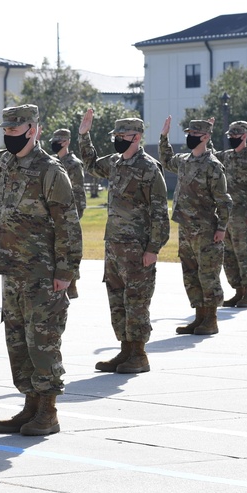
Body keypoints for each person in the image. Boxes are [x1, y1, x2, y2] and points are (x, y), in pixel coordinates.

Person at [0, 88, 82, 436]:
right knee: (17, 340)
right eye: (6, 131)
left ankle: (48, 412)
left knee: (43, 340)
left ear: (34, 130)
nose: (9, 137)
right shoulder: (6, 163)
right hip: (13, 270)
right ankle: (30, 405)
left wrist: (66, 271)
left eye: (15, 132)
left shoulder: (50, 171)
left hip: (43, 273)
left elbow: (68, 223)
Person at [79, 114, 169, 374]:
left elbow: (160, 212)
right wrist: (84, 136)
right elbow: (91, 165)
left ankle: (139, 355)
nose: (117, 141)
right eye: (115, 137)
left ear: (136, 137)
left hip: (138, 249)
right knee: (117, 300)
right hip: (114, 247)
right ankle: (125, 350)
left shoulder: (149, 168)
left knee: (137, 301)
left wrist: (153, 248)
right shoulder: (115, 163)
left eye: (122, 137)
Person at [160, 118, 232, 335]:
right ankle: (199, 317)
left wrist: (221, 228)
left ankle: (211, 320)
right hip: (186, 228)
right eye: (189, 132)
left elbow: (224, 201)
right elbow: (165, 160)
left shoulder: (213, 166)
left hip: (206, 230)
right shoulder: (184, 160)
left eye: (195, 133)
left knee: (208, 274)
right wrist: (164, 138)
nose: (190, 136)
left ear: (206, 137)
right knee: (190, 274)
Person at [215, 121, 247, 308]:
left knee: (244, 255)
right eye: (230, 136)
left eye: (235, 136)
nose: (232, 139)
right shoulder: (226, 156)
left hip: (243, 215)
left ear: (244, 136)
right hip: (226, 216)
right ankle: (238, 291)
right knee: (229, 256)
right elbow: (209, 154)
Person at [50, 128, 87, 298]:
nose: (55, 143)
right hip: (55, 213)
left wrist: (75, 215)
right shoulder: (53, 162)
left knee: (71, 248)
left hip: (70, 213)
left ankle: (72, 284)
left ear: (66, 142)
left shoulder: (74, 164)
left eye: (59, 140)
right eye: (54, 139)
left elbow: (79, 192)